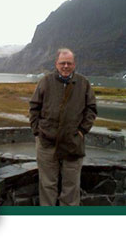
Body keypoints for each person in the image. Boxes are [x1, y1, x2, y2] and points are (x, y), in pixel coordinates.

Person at [29, 48, 97, 206]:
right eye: (62, 63)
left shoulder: (83, 83)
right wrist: (37, 131)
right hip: (46, 142)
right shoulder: (46, 81)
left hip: (73, 143)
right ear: (56, 64)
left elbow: (91, 109)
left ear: (74, 64)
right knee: (47, 185)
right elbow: (34, 107)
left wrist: (81, 131)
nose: (66, 66)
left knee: (71, 187)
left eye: (69, 63)